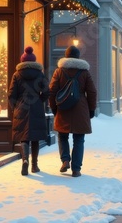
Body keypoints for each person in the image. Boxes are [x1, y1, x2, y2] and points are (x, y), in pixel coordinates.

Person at [49, 45, 97, 177]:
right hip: (80, 109)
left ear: (66, 56)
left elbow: (52, 91)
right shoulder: (84, 72)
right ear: (78, 56)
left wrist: (53, 107)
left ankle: (65, 161)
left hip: (63, 107)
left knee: (62, 136)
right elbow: (92, 92)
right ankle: (76, 169)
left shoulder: (59, 71)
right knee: (79, 139)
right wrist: (91, 109)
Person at [8, 46, 50, 176]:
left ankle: (25, 160)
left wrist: (14, 107)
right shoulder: (40, 74)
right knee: (35, 138)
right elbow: (47, 91)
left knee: (24, 137)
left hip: (21, 106)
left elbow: (11, 94)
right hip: (36, 106)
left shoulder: (17, 74)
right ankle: (34, 166)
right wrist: (40, 100)